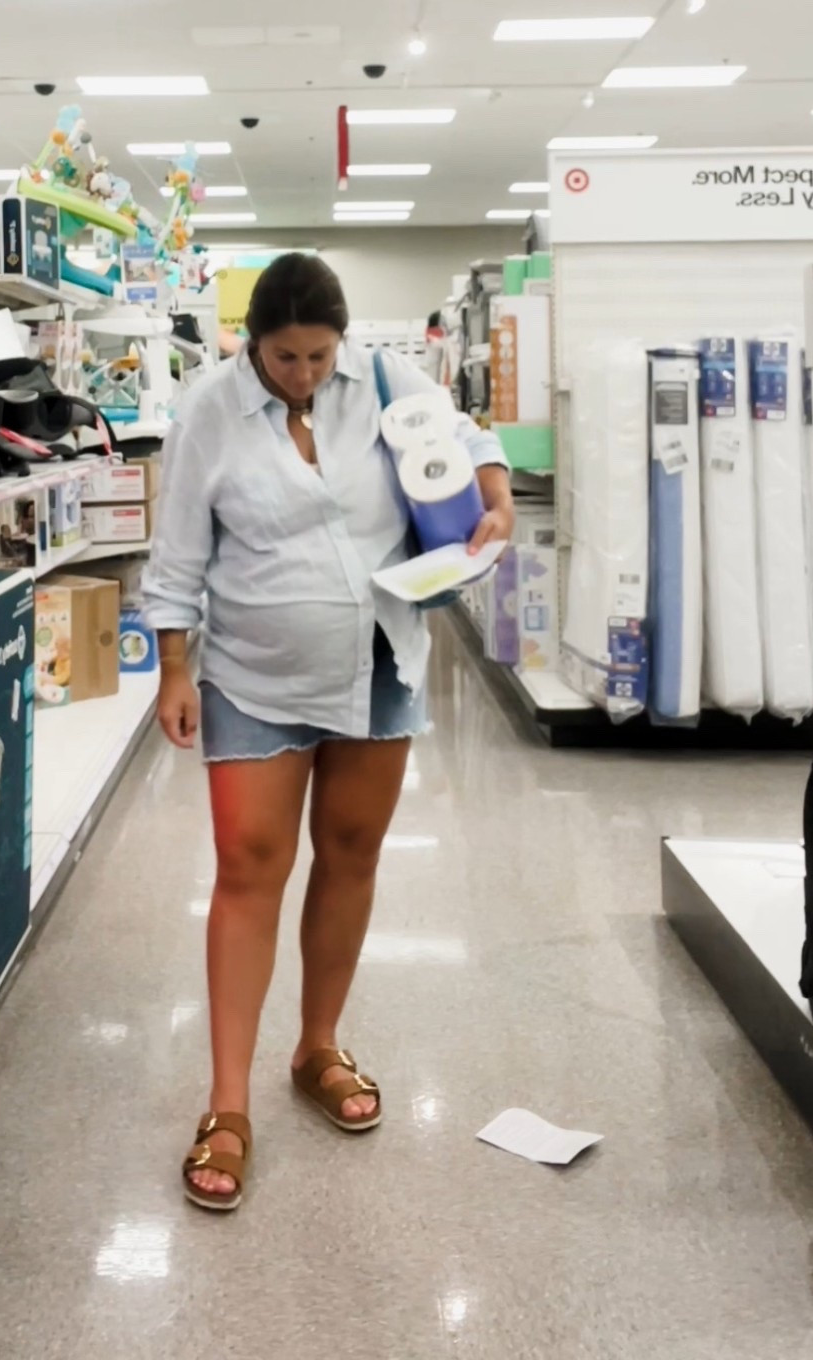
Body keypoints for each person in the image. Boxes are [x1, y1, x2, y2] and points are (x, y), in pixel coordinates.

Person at [143, 252, 513, 1213]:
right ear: (252, 343)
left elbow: (468, 438)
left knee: (350, 853)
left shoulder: (387, 381)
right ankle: (227, 1102)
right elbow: (177, 555)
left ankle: (317, 1047)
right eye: (285, 357)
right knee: (248, 871)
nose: (303, 374)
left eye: (318, 356)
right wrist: (175, 667)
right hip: (253, 677)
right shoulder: (208, 412)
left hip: (379, 661)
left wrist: (497, 494)